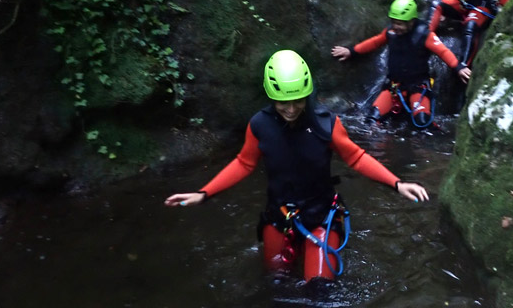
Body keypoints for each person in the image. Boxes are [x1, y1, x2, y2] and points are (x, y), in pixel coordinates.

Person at [164, 49, 429, 282]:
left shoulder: (327, 124)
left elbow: (356, 157)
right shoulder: (259, 125)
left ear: (307, 93)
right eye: (283, 102)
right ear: (271, 96)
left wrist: (397, 183)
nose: (291, 109)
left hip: (321, 216)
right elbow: (244, 163)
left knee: (319, 294)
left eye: (298, 101)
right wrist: (203, 193)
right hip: (279, 215)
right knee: (275, 283)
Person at [331, 0, 471, 128]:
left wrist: (458, 67)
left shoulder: (424, 34)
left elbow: (443, 52)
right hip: (394, 87)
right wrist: (351, 51)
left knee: (422, 122)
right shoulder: (391, 32)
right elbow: (374, 42)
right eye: (393, 22)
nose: (395, 27)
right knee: (371, 121)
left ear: (411, 22)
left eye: (400, 24)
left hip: (417, 86)